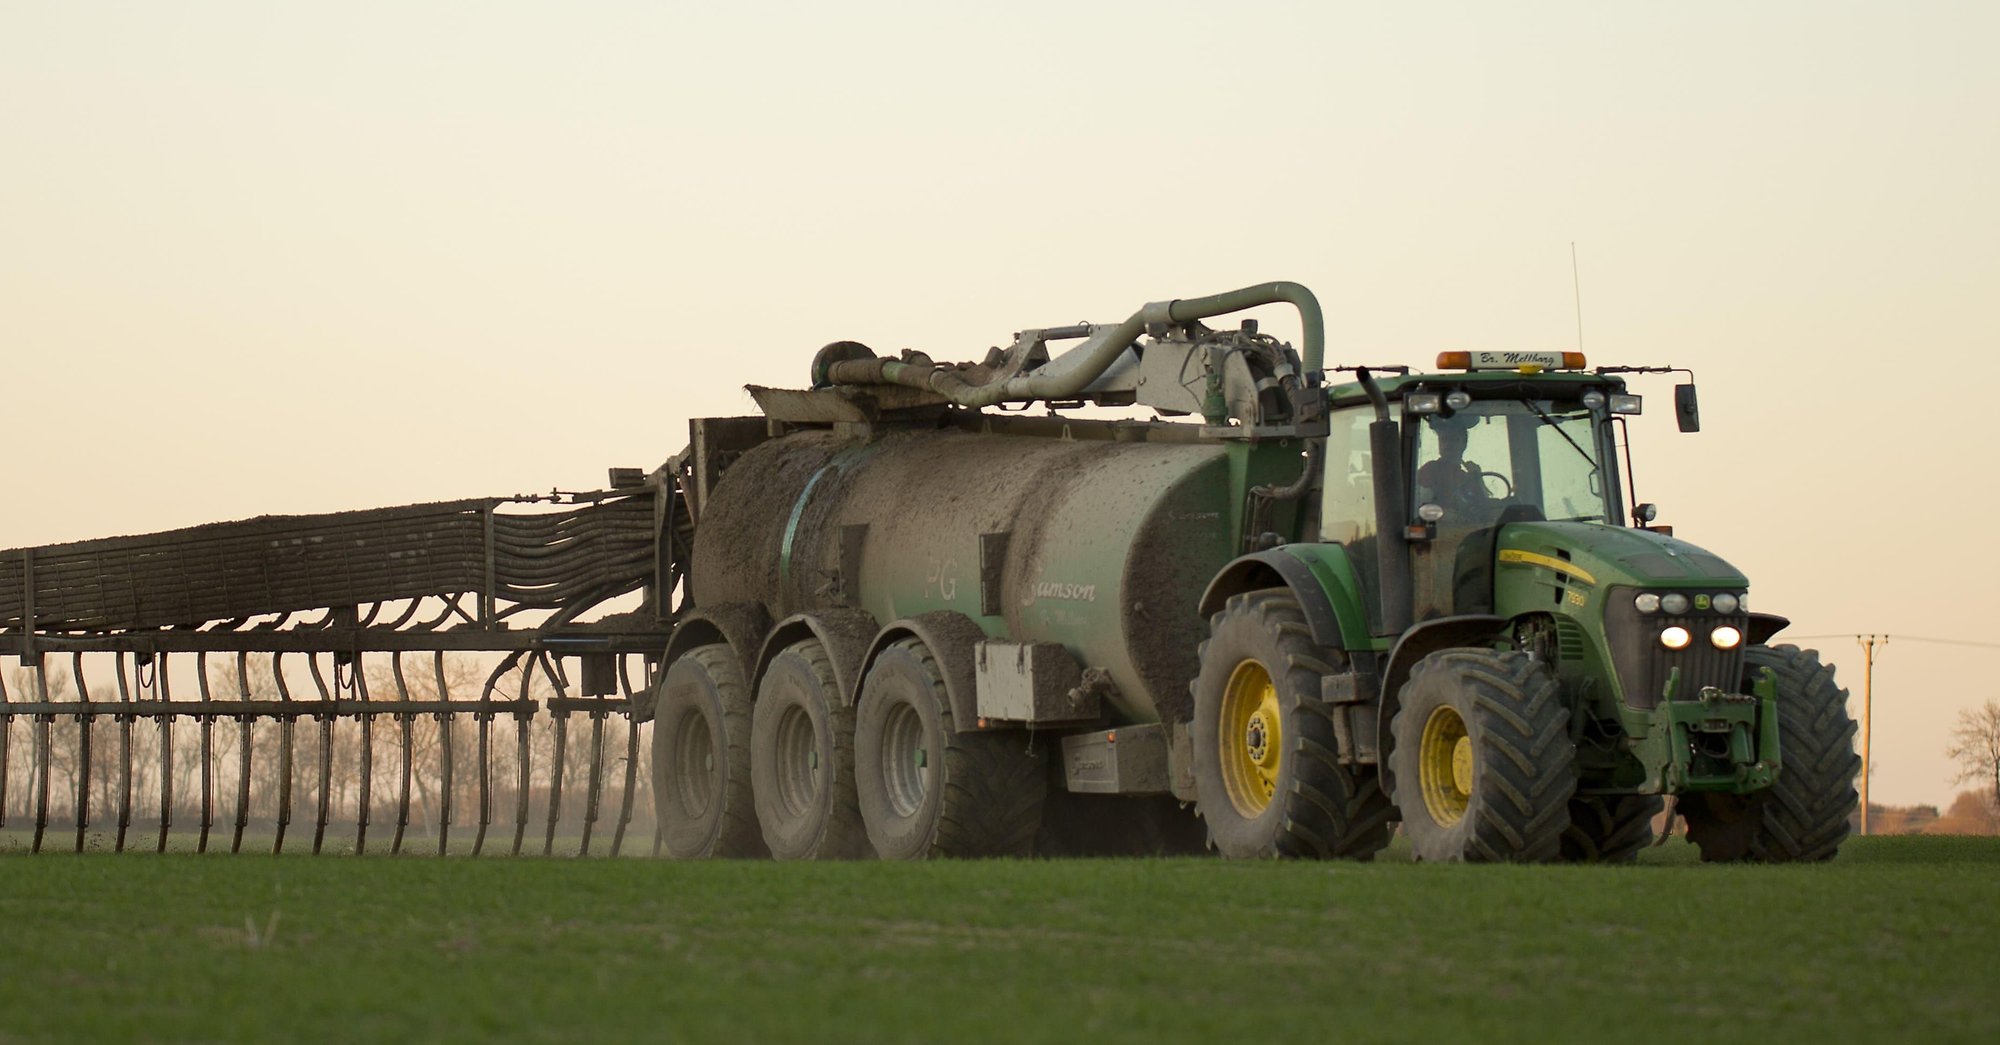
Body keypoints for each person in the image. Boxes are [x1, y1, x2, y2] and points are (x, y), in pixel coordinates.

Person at [1416, 422, 1494, 516]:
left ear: (1464, 444)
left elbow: (1486, 509)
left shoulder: (1468, 477)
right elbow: (1418, 504)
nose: (1448, 444)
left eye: (1454, 440)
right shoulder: (1430, 470)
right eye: (1444, 440)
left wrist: (1478, 478)